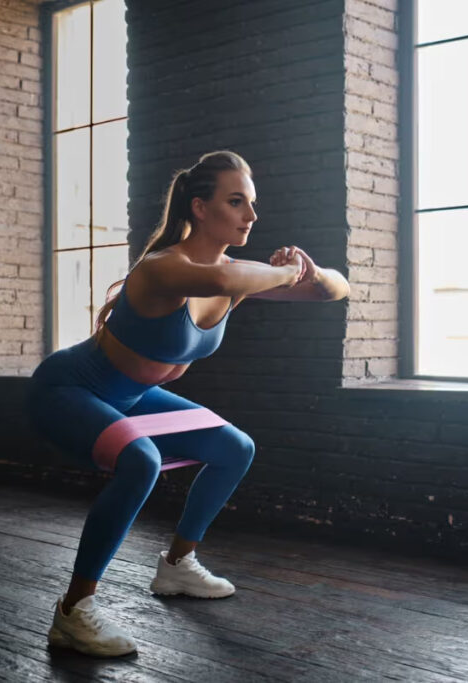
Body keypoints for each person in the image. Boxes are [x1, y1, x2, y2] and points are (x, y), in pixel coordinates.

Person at [27, 150, 350, 657]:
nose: (251, 215)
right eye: (237, 201)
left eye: (253, 203)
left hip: (130, 396)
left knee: (234, 448)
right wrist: (282, 274)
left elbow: (333, 290)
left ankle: (178, 566)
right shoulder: (164, 269)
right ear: (200, 208)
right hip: (70, 390)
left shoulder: (241, 275)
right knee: (141, 462)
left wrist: (305, 269)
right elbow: (222, 280)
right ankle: (73, 611)